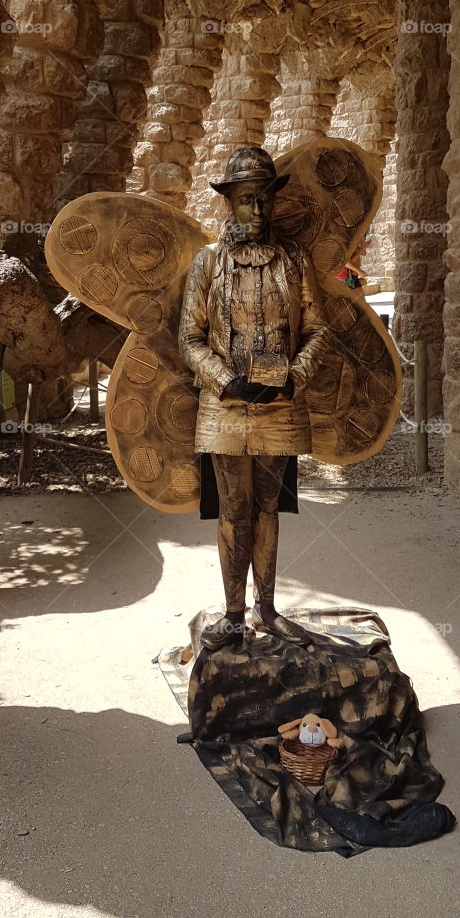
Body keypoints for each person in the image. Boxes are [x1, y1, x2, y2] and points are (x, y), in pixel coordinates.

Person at [178, 147, 329, 650]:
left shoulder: (293, 261)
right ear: (229, 203)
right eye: (246, 200)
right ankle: (235, 614)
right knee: (232, 508)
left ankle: (266, 607)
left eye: (264, 199)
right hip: (224, 409)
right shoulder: (208, 263)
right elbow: (190, 338)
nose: (258, 210)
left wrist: (293, 378)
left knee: (268, 506)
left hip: (280, 406)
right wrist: (223, 380)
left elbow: (316, 331)